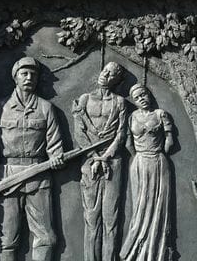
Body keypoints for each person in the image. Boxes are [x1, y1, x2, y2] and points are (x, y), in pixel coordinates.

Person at [0, 56, 65, 261]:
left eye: (33, 74)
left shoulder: (46, 108)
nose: (29, 78)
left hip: (38, 177)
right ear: (15, 78)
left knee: (46, 237)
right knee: (6, 239)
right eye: (24, 74)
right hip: (7, 180)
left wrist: (56, 158)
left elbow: (55, 146)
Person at [72, 61, 127, 261]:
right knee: (91, 217)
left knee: (111, 217)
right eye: (104, 70)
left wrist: (105, 157)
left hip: (112, 162)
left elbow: (121, 135)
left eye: (111, 74)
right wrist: (95, 157)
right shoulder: (85, 100)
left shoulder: (120, 102)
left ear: (116, 80)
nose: (105, 75)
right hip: (90, 162)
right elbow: (79, 133)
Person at [120, 84, 175, 261]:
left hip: (158, 163)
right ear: (134, 102)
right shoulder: (132, 117)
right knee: (140, 206)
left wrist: (159, 152)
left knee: (158, 205)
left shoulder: (161, 114)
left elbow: (170, 140)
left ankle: (155, 251)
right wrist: (138, 157)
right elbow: (128, 142)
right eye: (137, 98)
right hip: (139, 164)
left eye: (143, 94)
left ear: (149, 94)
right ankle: (135, 248)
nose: (141, 99)